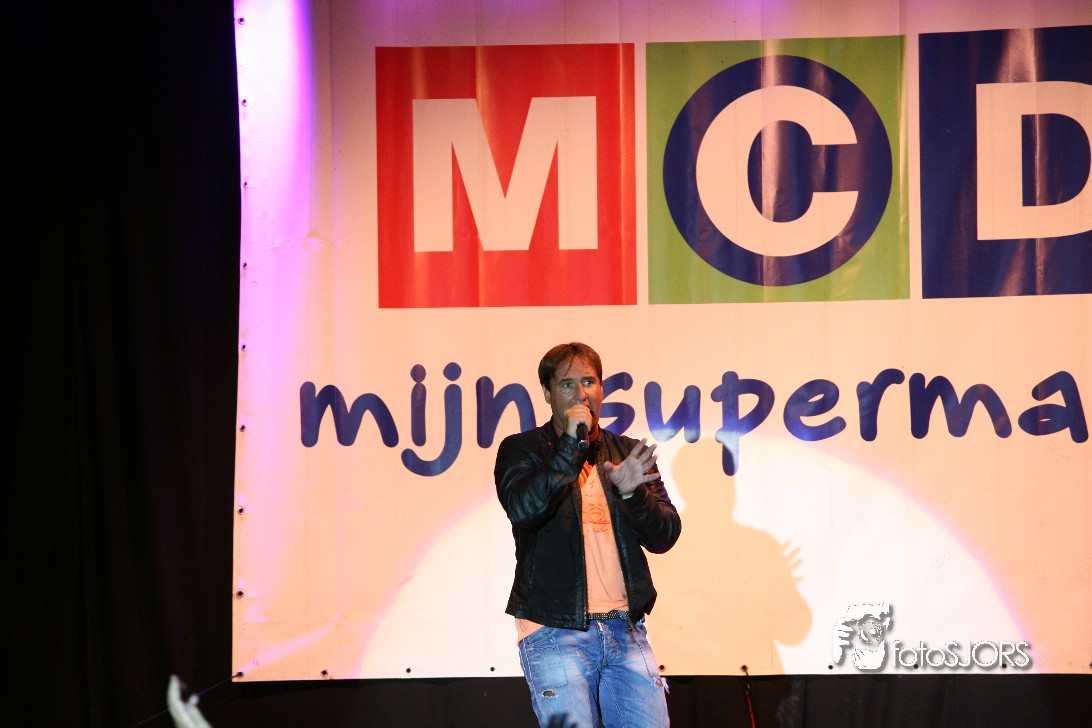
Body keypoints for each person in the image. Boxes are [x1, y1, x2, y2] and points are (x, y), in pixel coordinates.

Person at [495, 342, 682, 727]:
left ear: (601, 388)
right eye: (567, 384)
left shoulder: (627, 452)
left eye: (589, 382)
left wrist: (632, 493)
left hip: (624, 630)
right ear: (547, 393)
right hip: (555, 632)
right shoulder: (522, 450)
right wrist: (570, 447)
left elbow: (664, 536)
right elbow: (524, 510)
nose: (581, 393)